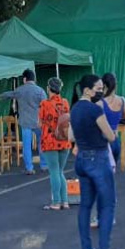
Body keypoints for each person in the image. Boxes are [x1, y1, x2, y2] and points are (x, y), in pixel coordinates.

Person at [70, 74, 122, 249]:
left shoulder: (75, 109)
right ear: (87, 90)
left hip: (82, 159)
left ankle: (87, 248)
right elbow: (110, 136)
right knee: (107, 204)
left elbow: (70, 136)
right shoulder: (95, 110)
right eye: (98, 89)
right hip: (98, 159)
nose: (101, 91)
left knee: (85, 205)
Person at [90, 72, 125, 228]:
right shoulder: (121, 100)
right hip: (115, 143)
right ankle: (109, 216)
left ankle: (101, 217)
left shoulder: (99, 103)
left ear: (104, 86)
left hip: (102, 144)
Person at [0, 69, 47, 175]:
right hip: (38, 122)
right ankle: (44, 165)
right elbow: (45, 106)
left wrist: (0, 96)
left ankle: (29, 168)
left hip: (25, 122)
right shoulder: (40, 91)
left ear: (25, 79)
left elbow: (8, 94)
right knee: (42, 143)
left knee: (26, 145)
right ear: (33, 79)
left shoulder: (20, 90)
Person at [39, 77, 72, 211]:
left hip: (50, 141)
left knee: (54, 172)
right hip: (64, 140)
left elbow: (40, 122)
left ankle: (56, 202)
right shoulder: (65, 102)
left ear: (48, 88)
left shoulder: (45, 104)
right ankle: (65, 201)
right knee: (60, 171)